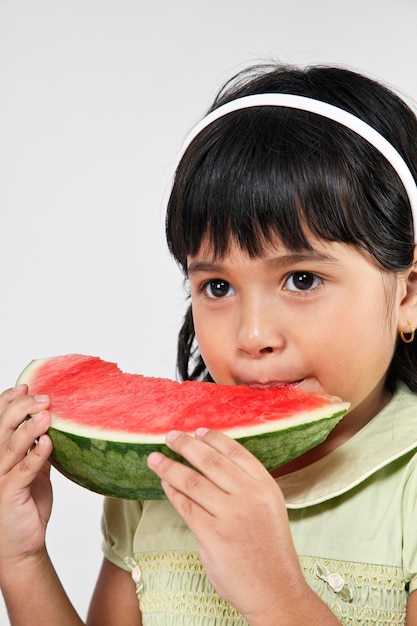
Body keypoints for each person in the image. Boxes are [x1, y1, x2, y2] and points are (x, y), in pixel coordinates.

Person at [1, 62, 417, 626]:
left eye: (302, 279)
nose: (252, 336)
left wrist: (277, 595)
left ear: (407, 294)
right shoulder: (157, 471)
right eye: (217, 287)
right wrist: (20, 559)